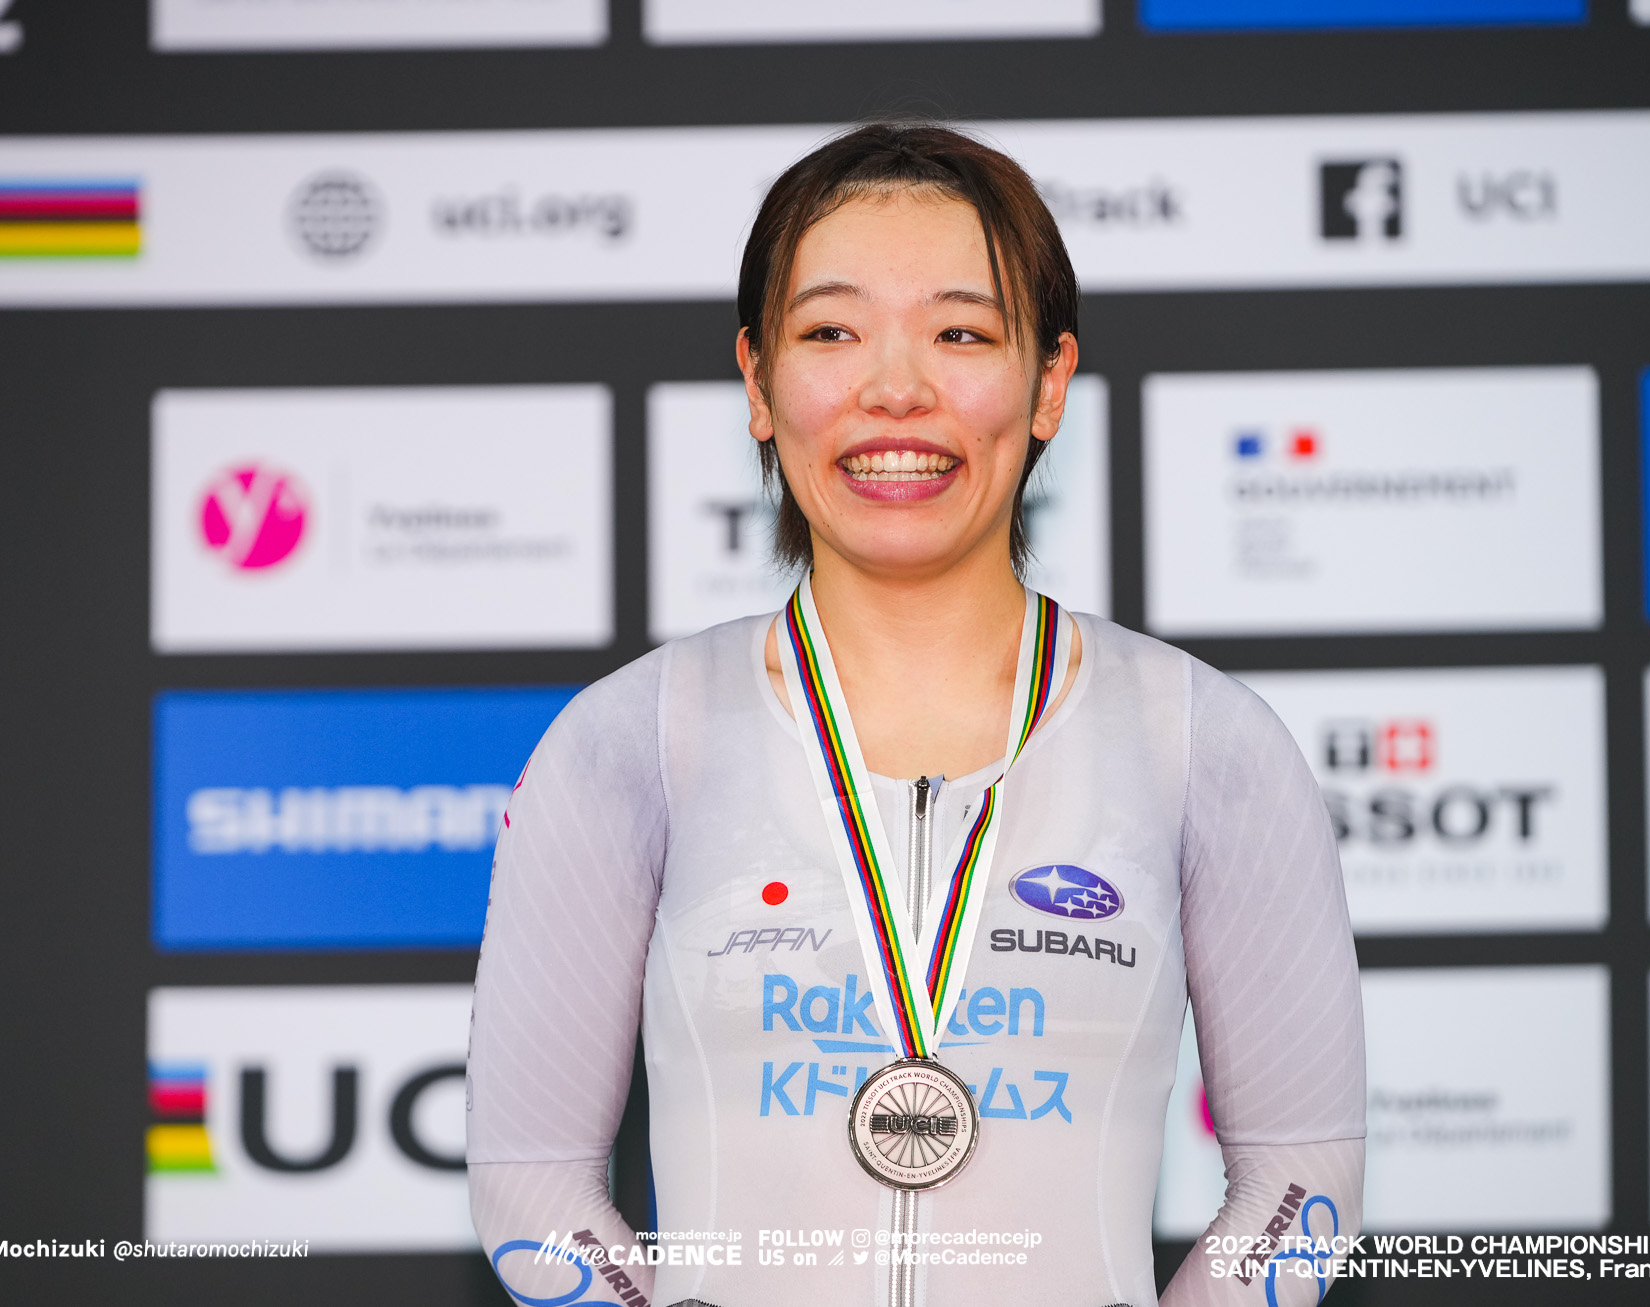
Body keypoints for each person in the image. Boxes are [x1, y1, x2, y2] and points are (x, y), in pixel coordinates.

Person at [467, 121, 1365, 1307]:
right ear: (756, 380)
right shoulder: (630, 741)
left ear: (1047, 381)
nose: (895, 387)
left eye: (961, 332)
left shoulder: (1204, 740)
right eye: (831, 331)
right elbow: (528, 1185)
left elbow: (1305, 1188)